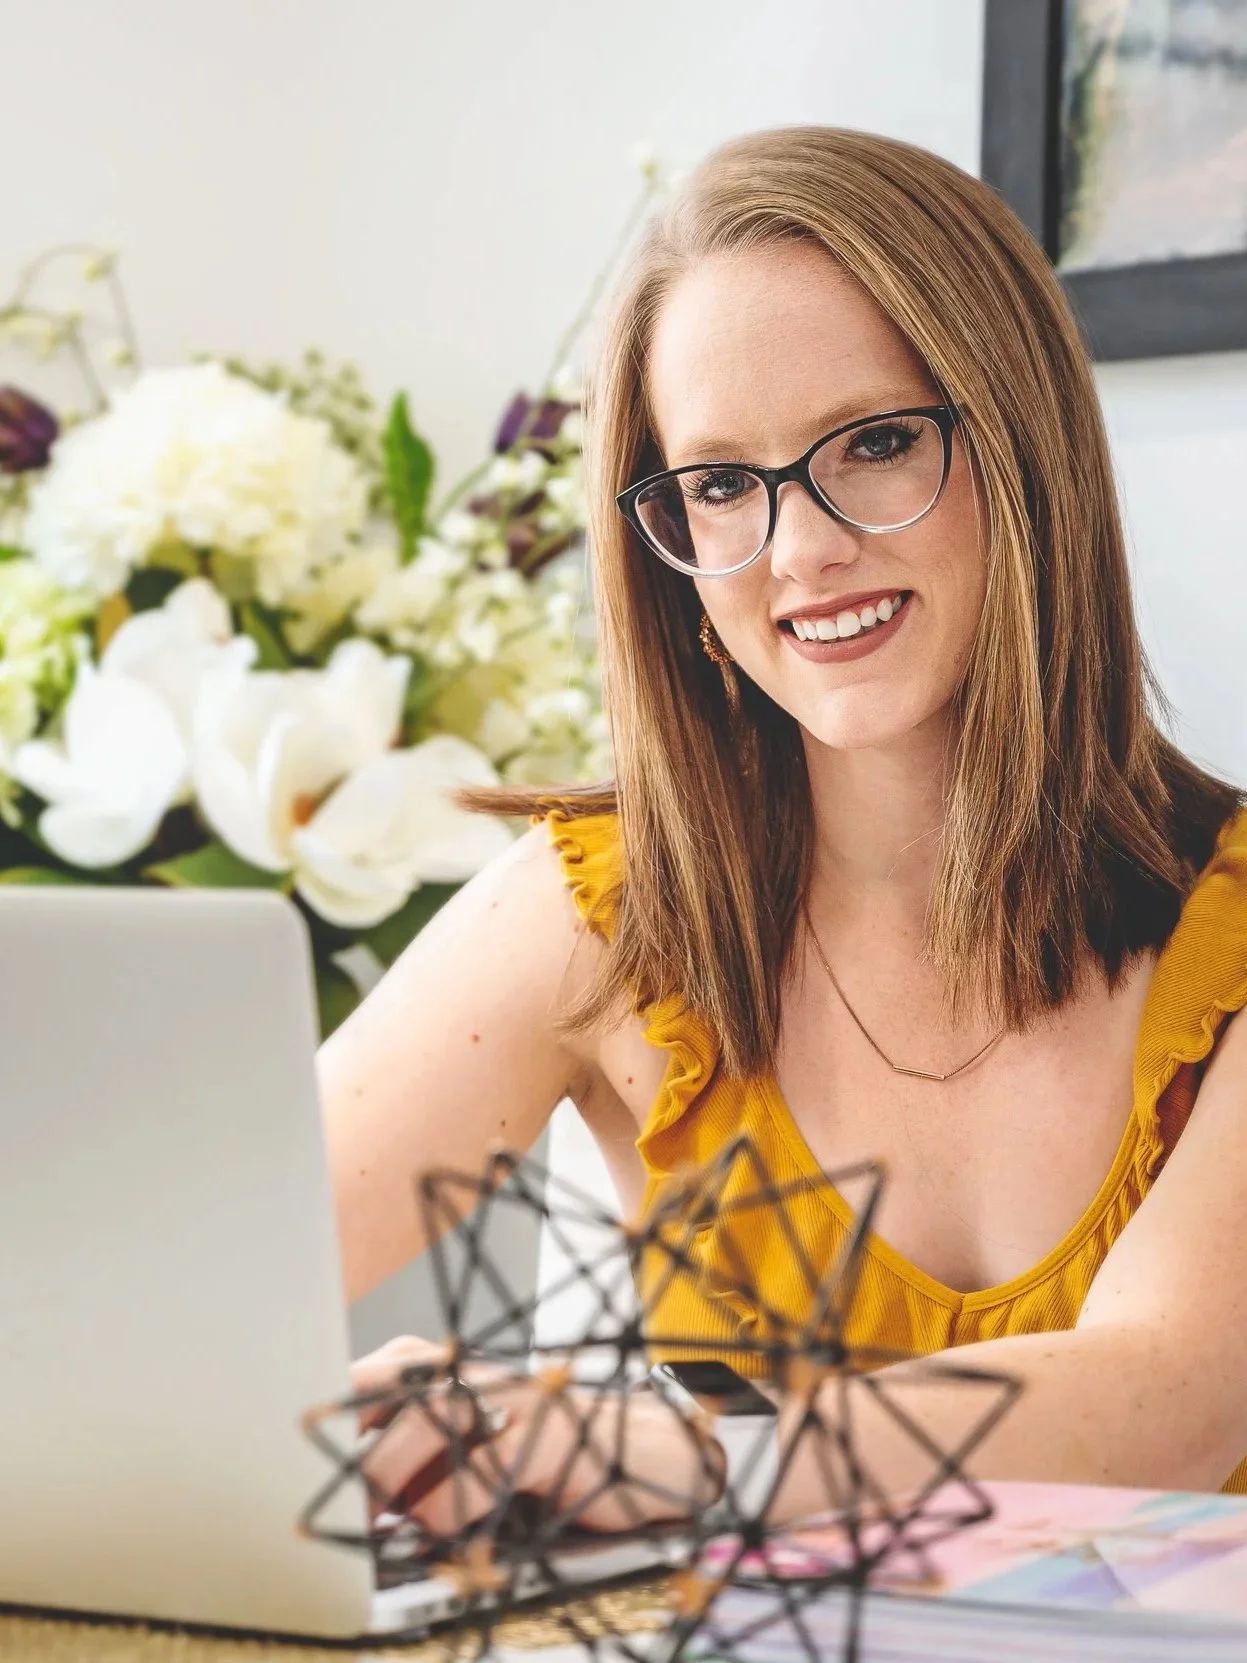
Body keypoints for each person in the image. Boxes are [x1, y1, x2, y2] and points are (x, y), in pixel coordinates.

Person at [318, 126, 1247, 1532]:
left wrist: (680, 1460)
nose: (798, 550)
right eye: (718, 485)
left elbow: (1173, 1398)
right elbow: (186, 1283)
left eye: (872, 443)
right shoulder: (600, 906)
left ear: (1023, 454)